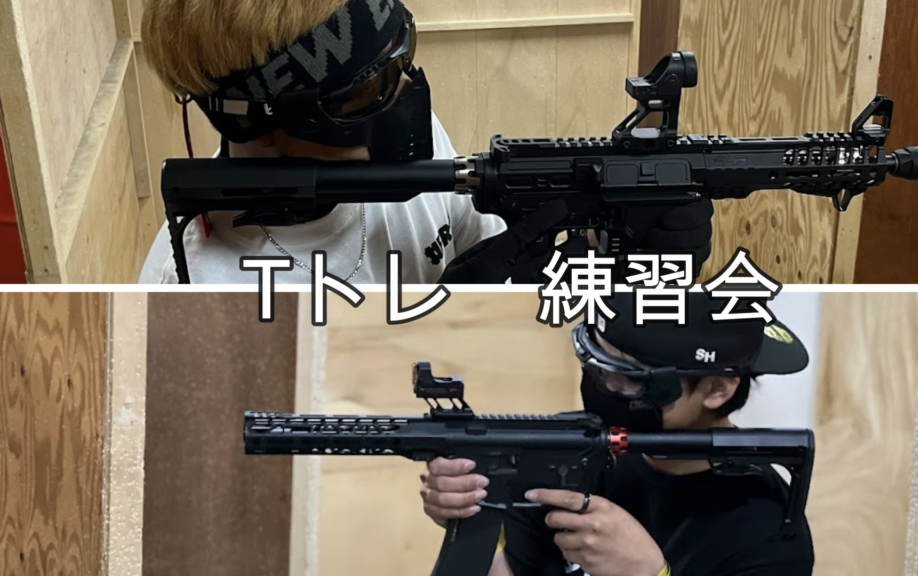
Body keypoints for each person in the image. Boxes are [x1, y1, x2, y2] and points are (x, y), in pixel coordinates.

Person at [137, 0, 715, 285]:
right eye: (370, 88)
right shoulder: (195, 280)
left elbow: (498, 255)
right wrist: (442, 318)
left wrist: (614, 261)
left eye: (403, 57)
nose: (406, 92)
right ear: (256, 120)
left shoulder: (393, 142)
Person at [419, 291, 815, 576]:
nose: (604, 389)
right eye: (596, 366)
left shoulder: (767, 530)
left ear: (716, 389)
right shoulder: (567, 455)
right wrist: (471, 518)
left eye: (628, 379)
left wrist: (647, 573)